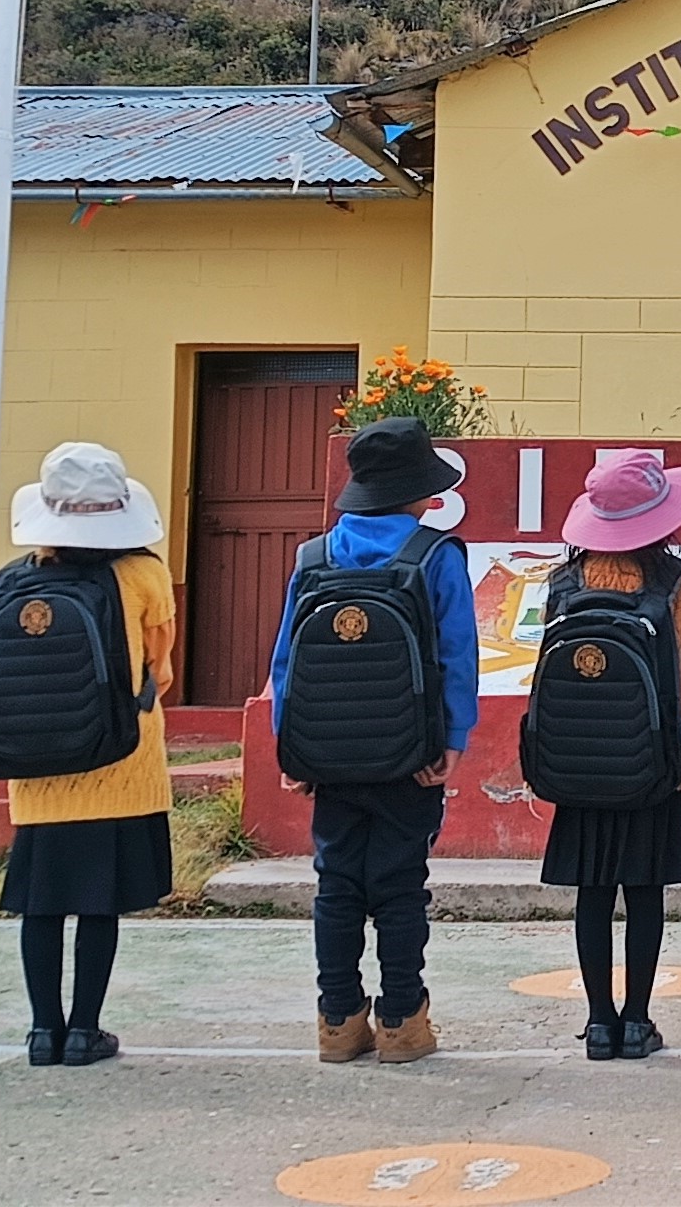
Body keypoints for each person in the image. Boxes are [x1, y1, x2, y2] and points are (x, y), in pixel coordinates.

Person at [269, 418, 480, 1064]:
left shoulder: (313, 558)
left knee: (336, 885)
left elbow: (286, 664)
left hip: (328, 755)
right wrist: (453, 736)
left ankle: (338, 1022)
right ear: (420, 491)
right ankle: (401, 1023)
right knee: (398, 885)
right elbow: (457, 654)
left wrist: (293, 747)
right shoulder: (436, 556)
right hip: (408, 754)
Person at [533, 450, 681, 1061]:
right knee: (644, 893)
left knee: (593, 892)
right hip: (657, 765)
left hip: (578, 765)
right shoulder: (679, 584)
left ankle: (597, 1023)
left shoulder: (563, 584)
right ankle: (638, 1022)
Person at [0, 443, 176, 1068]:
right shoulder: (144, 576)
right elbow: (162, 669)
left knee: (40, 903)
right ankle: (85, 1031)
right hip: (120, 765)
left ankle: (42, 1031)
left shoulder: (11, 581)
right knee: (101, 902)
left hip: (37, 768)